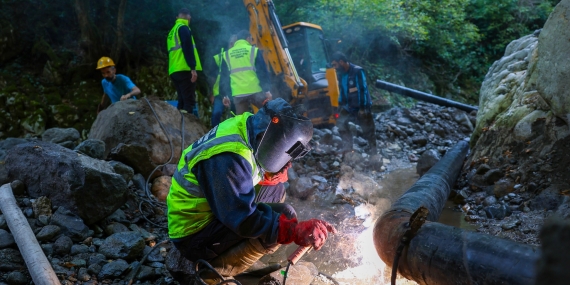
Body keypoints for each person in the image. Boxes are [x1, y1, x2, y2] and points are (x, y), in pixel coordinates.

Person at [166, 98, 336, 284]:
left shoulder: (250, 125)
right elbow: (244, 219)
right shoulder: (229, 156)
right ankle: (211, 275)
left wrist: (272, 173)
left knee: (276, 191)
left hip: (214, 207)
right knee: (280, 219)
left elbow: (247, 169)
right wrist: (292, 231)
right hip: (193, 233)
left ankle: (240, 256)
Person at [331, 51, 377, 153]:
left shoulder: (357, 71)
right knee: (340, 123)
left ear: (341, 62)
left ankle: (373, 151)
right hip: (349, 105)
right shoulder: (342, 74)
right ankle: (348, 147)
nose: (334, 67)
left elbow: (362, 90)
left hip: (362, 105)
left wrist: (362, 108)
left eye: (335, 64)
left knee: (368, 129)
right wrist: (339, 104)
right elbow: (343, 90)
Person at [219, 30, 272, 115]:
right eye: (251, 39)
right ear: (248, 38)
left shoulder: (226, 55)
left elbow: (224, 77)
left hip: (238, 93)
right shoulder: (253, 51)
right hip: (255, 91)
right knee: (269, 114)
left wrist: (225, 95)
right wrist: (267, 90)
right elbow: (262, 71)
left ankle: (246, 128)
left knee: (242, 120)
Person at [167, 8, 202, 115]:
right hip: (184, 68)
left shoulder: (172, 31)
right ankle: (186, 127)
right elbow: (188, 48)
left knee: (182, 100)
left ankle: (178, 125)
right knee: (188, 101)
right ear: (188, 17)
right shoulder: (183, 28)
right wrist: (193, 68)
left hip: (174, 69)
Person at [208, 35, 237, 127]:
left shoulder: (238, 58)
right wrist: (211, 93)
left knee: (234, 115)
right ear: (229, 44)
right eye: (232, 43)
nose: (232, 45)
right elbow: (212, 77)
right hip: (220, 92)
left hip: (235, 91)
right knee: (217, 113)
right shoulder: (220, 57)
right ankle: (214, 134)